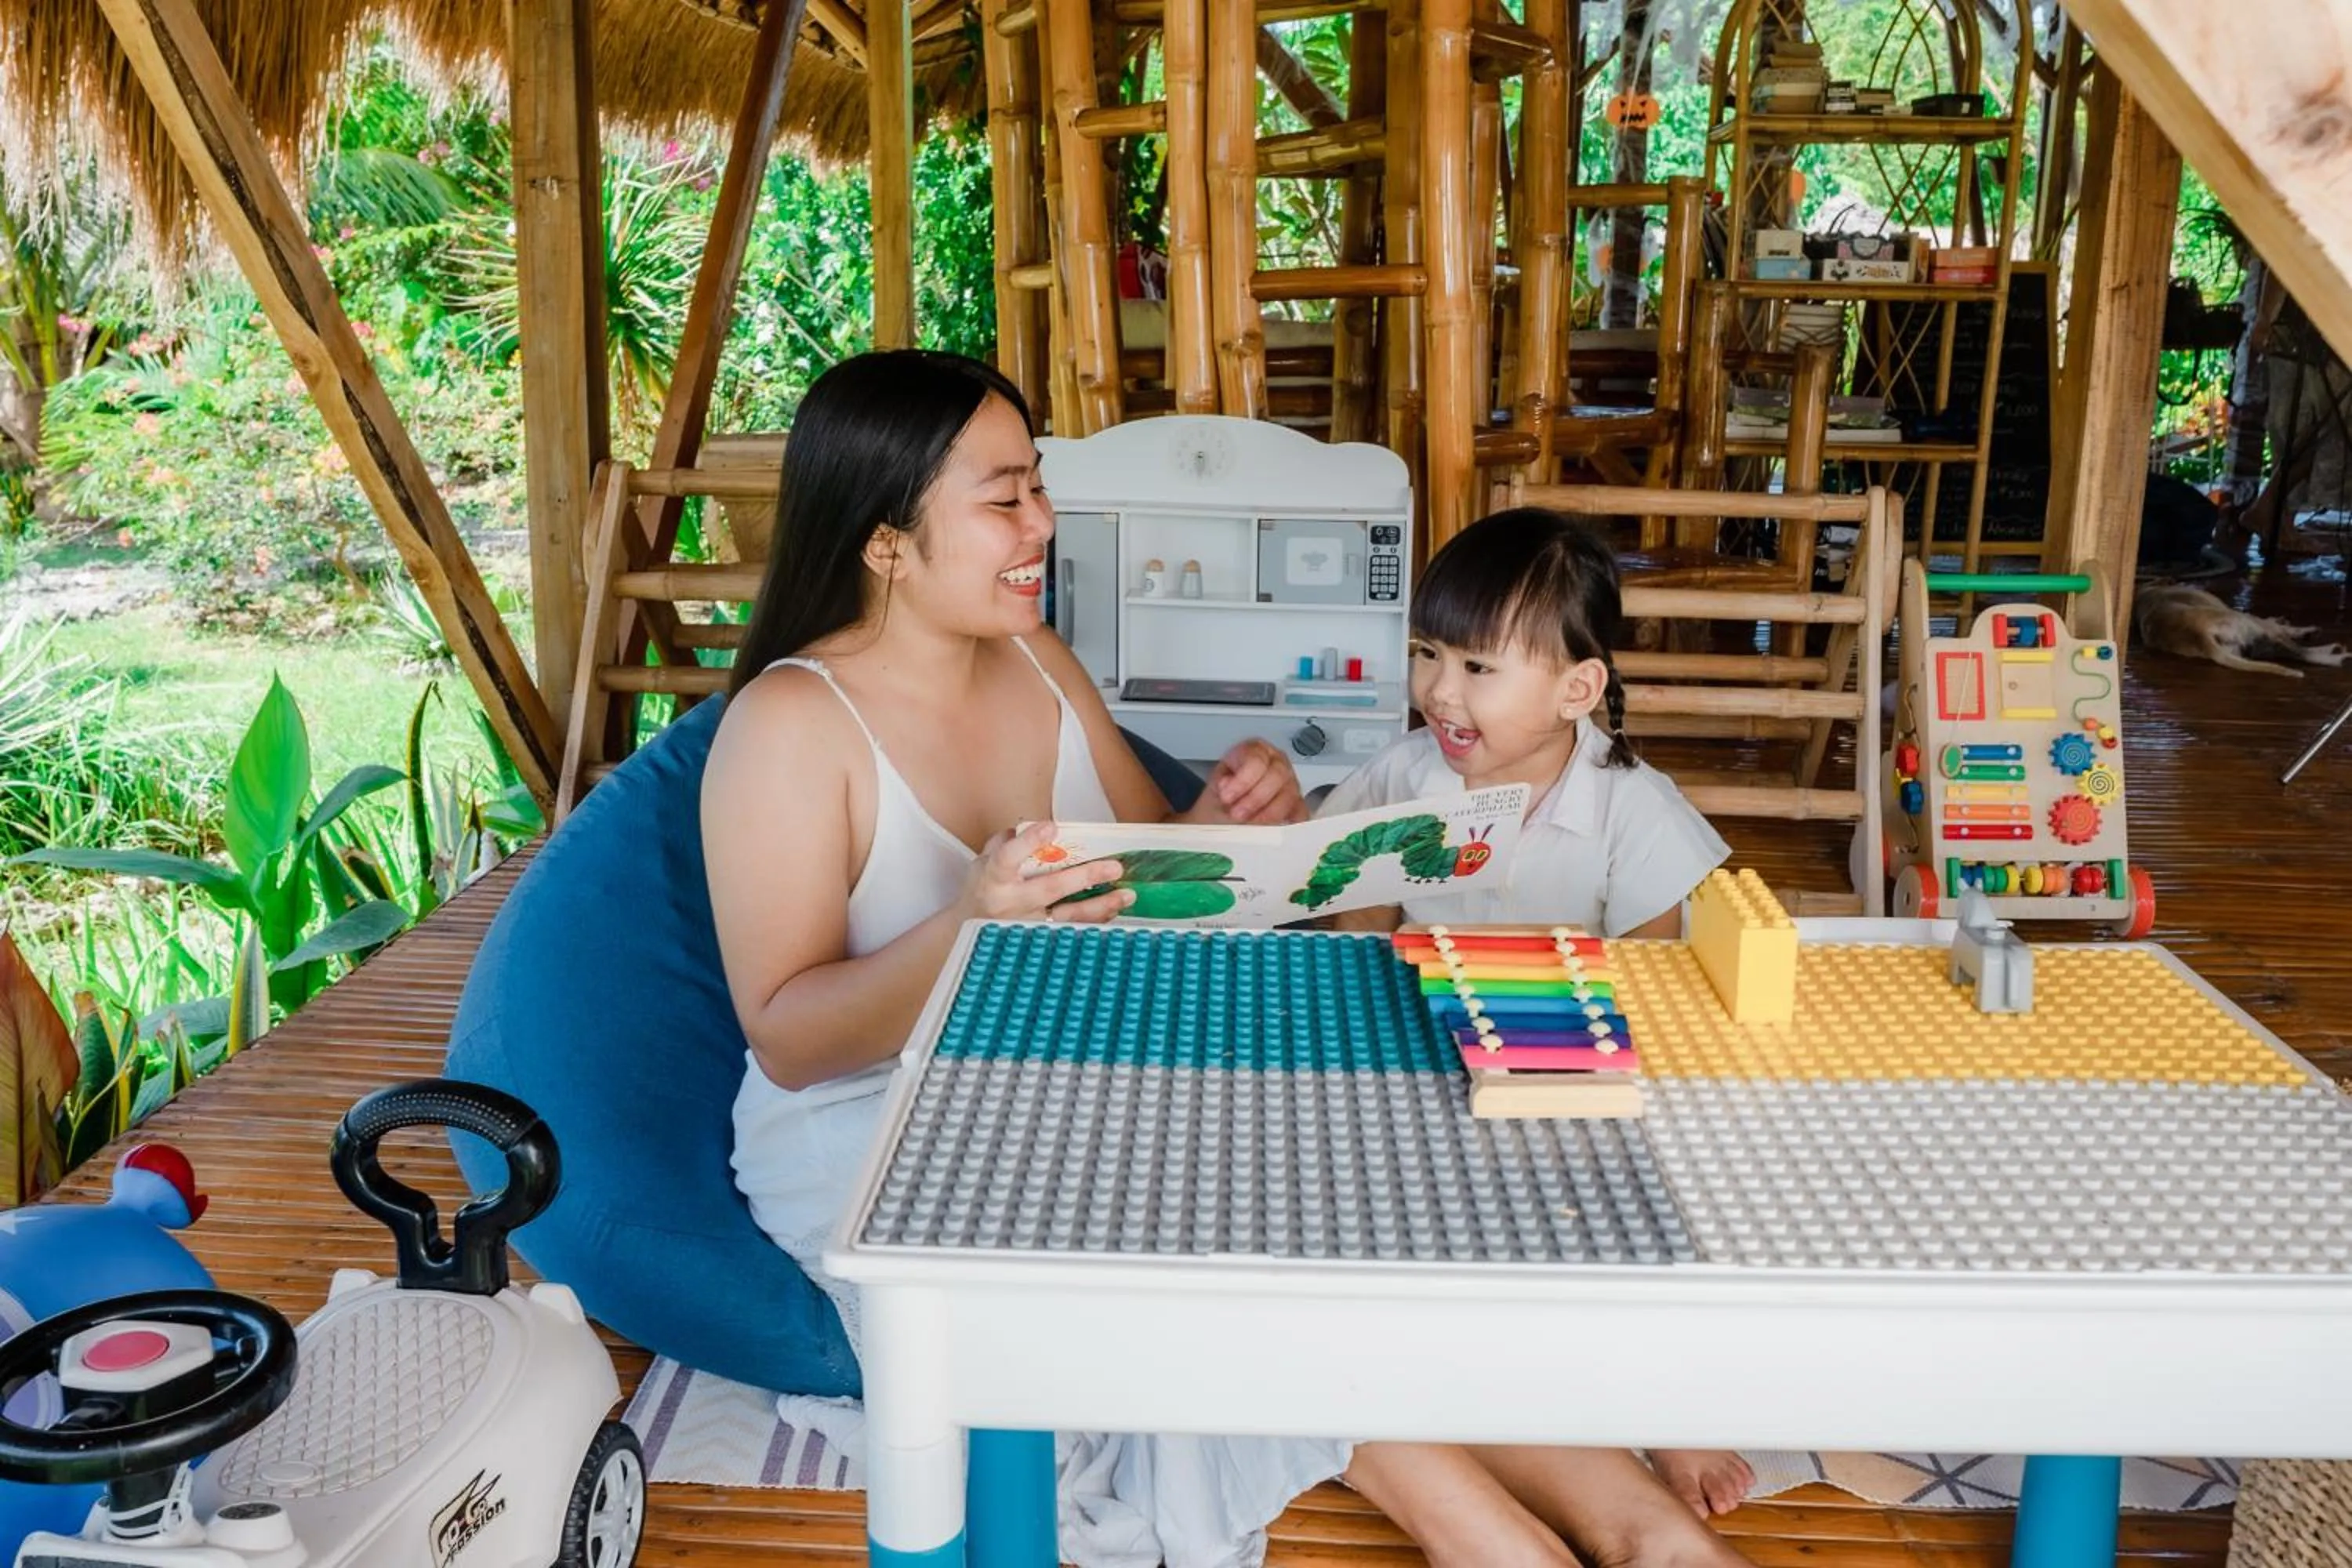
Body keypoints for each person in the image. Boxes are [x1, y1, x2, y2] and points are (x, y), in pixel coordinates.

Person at [706, 353, 1751, 1568]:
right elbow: (785, 1040)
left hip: (1077, 1055)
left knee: (1327, 1207)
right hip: (886, 1118)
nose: (1045, 522)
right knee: (1233, 1254)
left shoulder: (1040, 661)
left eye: (1038, 487)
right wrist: (972, 928)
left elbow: (1155, 879)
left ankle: (1638, 1526)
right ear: (887, 540)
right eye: (1006, 499)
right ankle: (1506, 1538)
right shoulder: (786, 728)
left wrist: (1228, 822)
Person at [1323, 506, 1755, 1526]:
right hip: (1429, 1063)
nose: (1437, 688)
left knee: (1633, 1218)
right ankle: (1488, 1370)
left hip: (1578, 1071)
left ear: (1578, 689)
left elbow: (1661, 981)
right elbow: (1358, 934)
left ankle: (1663, 1408)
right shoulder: (1407, 776)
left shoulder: (1629, 808)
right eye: (1429, 653)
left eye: (1478, 667)